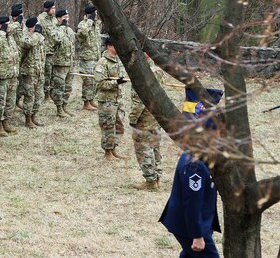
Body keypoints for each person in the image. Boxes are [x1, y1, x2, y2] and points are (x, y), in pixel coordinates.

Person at [160, 110, 222, 257]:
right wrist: (197, 236)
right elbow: (192, 203)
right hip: (190, 227)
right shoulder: (194, 166)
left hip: (199, 223)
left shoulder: (201, 153)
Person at [129, 53, 167, 190]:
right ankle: (156, 178)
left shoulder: (142, 73)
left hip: (144, 118)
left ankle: (150, 181)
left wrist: (133, 118)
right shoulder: (158, 71)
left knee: (143, 149)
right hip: (157, 116)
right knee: (155, 147)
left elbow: (140, 100)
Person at [94, 37, 127, 160]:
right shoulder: (102, 63)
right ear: (109, 46)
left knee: (120, 125)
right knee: (108, 126)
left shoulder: (119, 60)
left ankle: (114, 148)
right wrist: (116, 83)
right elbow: (100, 83)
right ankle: (107, 151)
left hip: (118, 99)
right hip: (107, 101)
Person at [17, 17, 46, 129]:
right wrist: (37, 34)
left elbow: (42, 53)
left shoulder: (39, 37)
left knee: (39, 96)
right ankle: (27, 119)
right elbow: (29, 44)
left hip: (39, 71)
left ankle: (34, 116)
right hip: (29, 72)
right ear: (32, 27)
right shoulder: (26, 37)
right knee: (30, 96)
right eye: (36, 26)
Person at [76, 5, 101, 111]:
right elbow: (82, 33)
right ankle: (86, 102)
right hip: (87, 57)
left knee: (94, 80)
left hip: (95, 56)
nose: (96, 15)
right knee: (88, 80)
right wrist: (89, 21)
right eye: (94, 13)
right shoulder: (83, 24)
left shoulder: (96, 25)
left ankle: (91, 99)